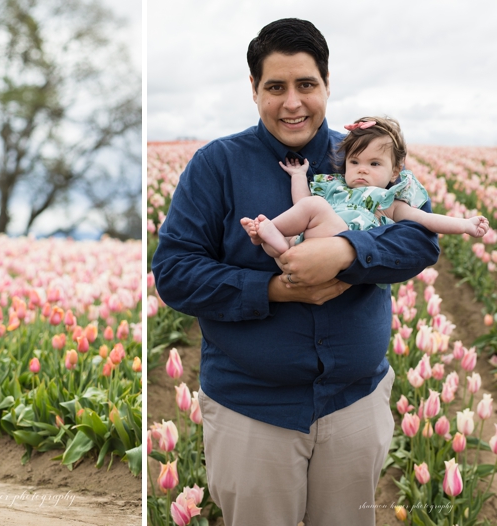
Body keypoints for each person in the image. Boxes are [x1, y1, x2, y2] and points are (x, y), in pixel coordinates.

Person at [151, 19, 440, 525]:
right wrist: (274, 289)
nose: (293, 102)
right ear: (253, 89)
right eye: (275, 87)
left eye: (306, 85)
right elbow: (175, 271)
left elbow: (420, 239)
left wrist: (348, 254)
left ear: (327, 84)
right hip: (252, 409)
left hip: (356, 401)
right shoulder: (216, 165)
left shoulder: (365, 156)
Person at [241, 116, 488, 257]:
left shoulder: (388, 201)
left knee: (313, 206)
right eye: (355, 161)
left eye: (374, 163)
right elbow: (301, 202)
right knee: (296, 225)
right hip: (307, 243)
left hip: (340, 244)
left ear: (394, 171)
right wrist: (298, 175)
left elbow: (425, 219)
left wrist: (464, 225)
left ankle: (269, 228)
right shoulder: (335, 187)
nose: (362, 169)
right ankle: (272, 240)